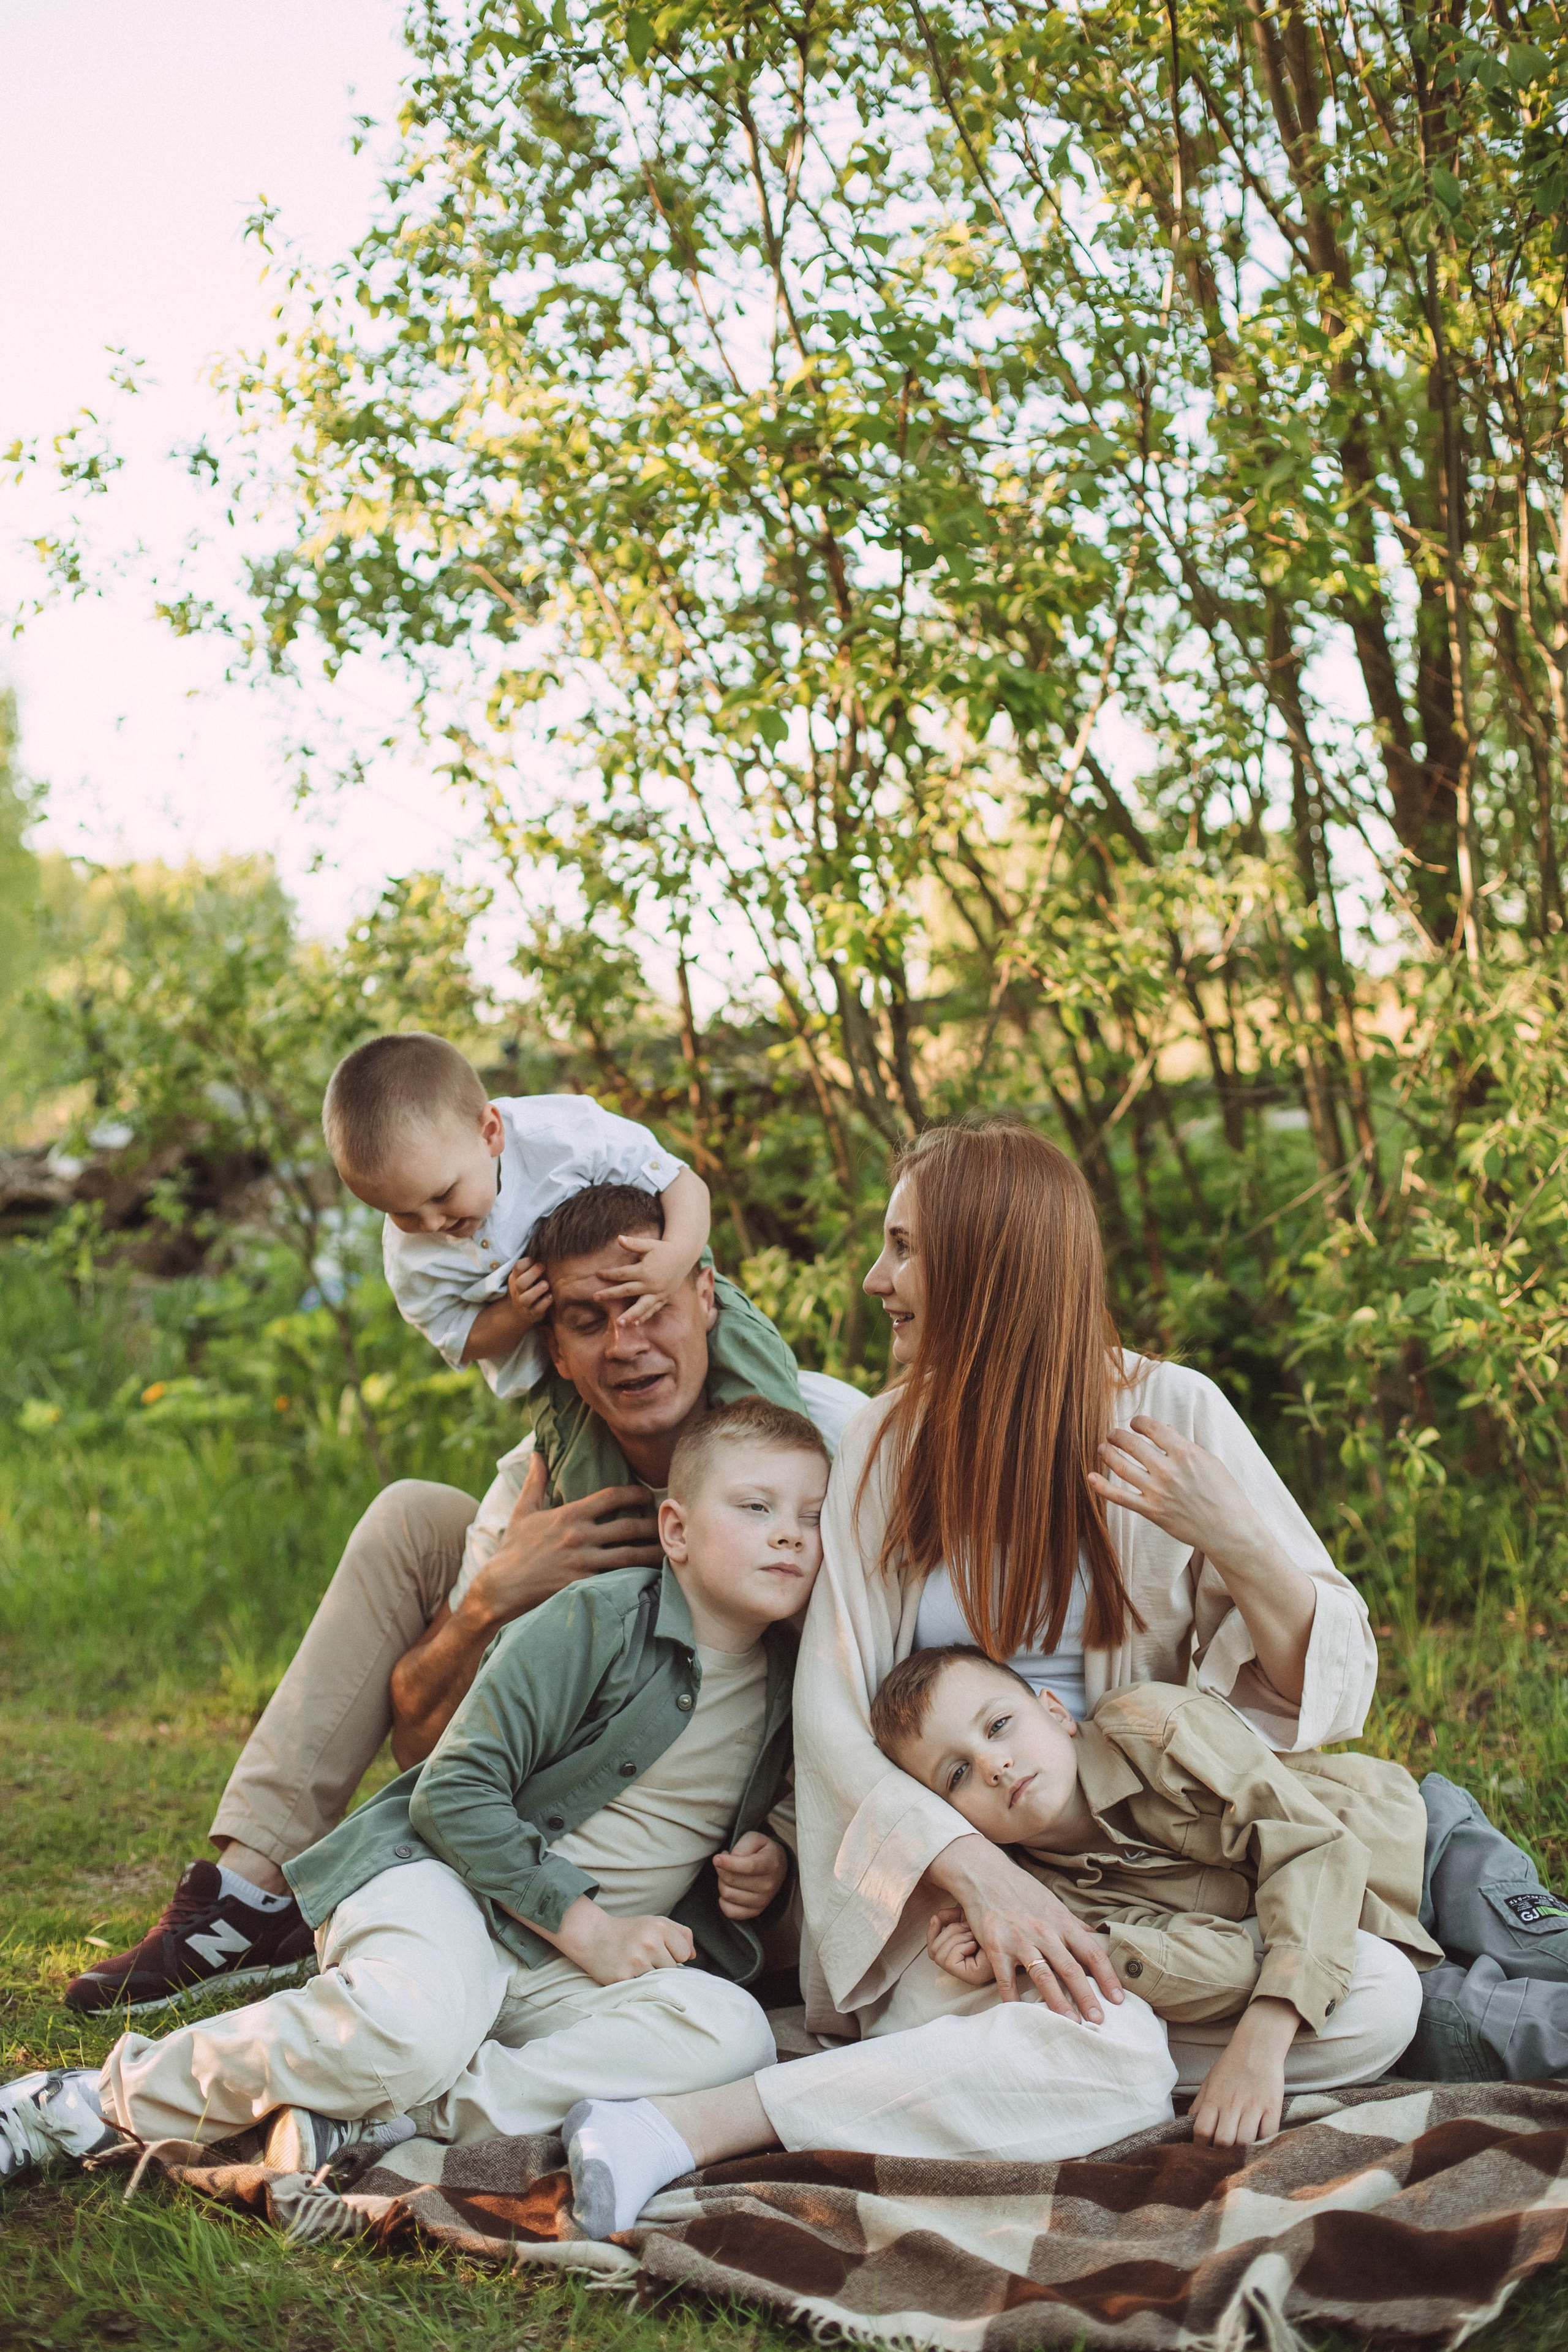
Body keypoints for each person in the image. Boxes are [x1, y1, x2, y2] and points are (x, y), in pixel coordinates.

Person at [65, 1185, 862, 2015]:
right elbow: (431, 1749)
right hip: (553, 1784)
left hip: (724, 1822)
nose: (627, 1345)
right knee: (411, 1514)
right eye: (589, 1320)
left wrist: (776, 1840)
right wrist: (493, 1598)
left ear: (704, 1297)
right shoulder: (540, 1478)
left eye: (648, 1306)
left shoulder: (818, 1449)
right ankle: (242, 1896)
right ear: (555, 1349)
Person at [2, 1402, 824, 2181]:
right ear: (675, 1530)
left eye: (811, 1518)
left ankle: (385, 2122)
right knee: (409, 2033)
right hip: (452, 1891)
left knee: (730, 2035)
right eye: (756, 1507)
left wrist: (768, 1862)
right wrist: (589, 1928)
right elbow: (455, 1788)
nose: (789, 1534)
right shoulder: (597, 1623)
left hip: (568, 1968)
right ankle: (85, 2101)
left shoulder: (795, 1685)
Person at [791, 1117, 1389, 2068]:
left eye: (903, 1249)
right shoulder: (883, 1445)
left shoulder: (1170, 1408)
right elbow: (830, 1717)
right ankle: (1105, 2047)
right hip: (962, 1875)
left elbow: (1325, 1688)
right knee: (955, 1993)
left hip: (1156, 1865)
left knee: (1382, 1999)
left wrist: (1230, 1534)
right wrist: (982, 1882)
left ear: (987, 1266)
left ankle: (1080, 2041)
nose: (876, 1279)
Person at [869, 1647, 1430, 2143]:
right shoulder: (1047, 1897)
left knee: (1473, 2007)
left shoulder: (1153, 1724)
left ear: (1056, 1711)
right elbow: (1231, 1967)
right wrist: (1067, 1952)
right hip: (1323, 1945)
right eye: (958, 1774)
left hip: (1416, 1857)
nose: (994, 1766)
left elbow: (1312, 1849)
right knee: (1399, 2007)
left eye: (998, 1727)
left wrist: (1258, 2048)